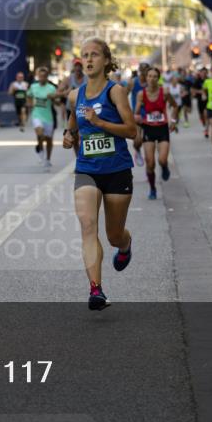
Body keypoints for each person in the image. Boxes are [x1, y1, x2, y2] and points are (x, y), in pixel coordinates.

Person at [62, 37, 137, 311]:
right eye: (85, 55)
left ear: (106, 60)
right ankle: (96, 290)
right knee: (87, 226)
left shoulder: (115, 92)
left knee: (113, 234)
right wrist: (68, 137)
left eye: (95, 54)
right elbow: (72, 126)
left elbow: (132, 131)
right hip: (87, 171)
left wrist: (100, 122)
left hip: (117, 169)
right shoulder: (75, 95)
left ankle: (125, 243)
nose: (89, 59)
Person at [134, 67, 176, 199]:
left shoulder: (165, 92)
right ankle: (152, 189)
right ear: (146, 78)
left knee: (162, 159)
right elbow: (136, 113)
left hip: (162, 128)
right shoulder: (141, 94)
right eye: (149, 76)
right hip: (148, 128)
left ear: (159, 78)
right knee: (150, 163)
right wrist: (137, 117)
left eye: (154, 77)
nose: (152, 79)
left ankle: (164, 167)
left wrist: (173, 120)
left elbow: (174, 106)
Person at [27, 66, 61, 168]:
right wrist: (29, 104)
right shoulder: (33, 87)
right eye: (40, 76)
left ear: (47, 77)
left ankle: (48, 159)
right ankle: (40, 150)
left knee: (49, 139)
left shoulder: (51, 88)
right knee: (40, 132)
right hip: (37, 114)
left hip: (48, 116)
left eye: (44, 77)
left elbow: (58, 103)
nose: (42, 78)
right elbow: (28, 95)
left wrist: (54, 98)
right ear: (38, 77)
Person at [127, 62, 149, 165]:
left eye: (146, 69)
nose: (144, 72)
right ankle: (138, 151)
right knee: (137, 141)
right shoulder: (133, 82)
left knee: (149, 142)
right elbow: (123, 96)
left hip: (150, 115)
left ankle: (150, 164)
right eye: (143, 69)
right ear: (139, 70)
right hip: (137, 115)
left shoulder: (151, 82)